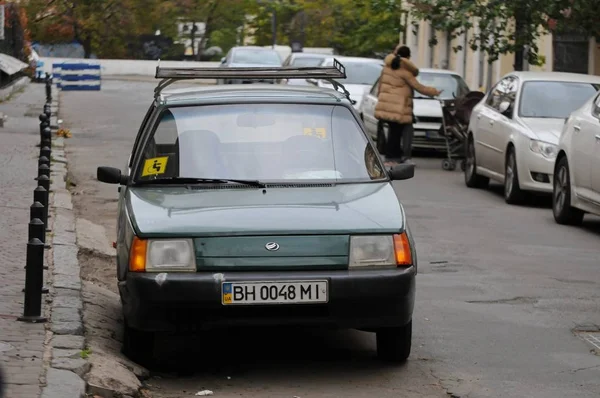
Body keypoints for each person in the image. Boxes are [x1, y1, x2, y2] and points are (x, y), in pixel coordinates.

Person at [375, 45, 442, 165]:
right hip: (399, 107)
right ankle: (393, 158)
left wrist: (380, 99)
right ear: (408, 57)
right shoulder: (405, 72)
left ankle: (392, 157)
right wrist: (434, 92)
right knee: (396, 133)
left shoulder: (386, 68)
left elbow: (380, 86)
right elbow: (419, 87)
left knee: (392, 131)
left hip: (387, 105)